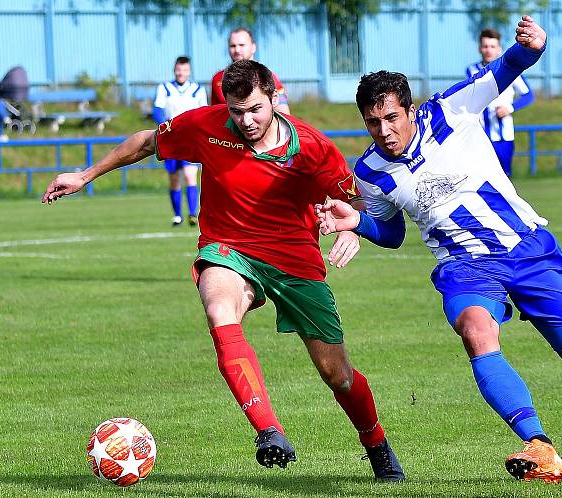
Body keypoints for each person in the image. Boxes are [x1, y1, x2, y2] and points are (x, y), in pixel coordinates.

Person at [316, 16, 562, 484]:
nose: (384, 130)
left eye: (391, 117)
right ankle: (541, 446)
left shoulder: (452, 109)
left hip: (525, 248)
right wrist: (358, 223)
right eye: (373, 122)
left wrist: (532, 48)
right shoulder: (370, 172)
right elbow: (391, 234)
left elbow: (508, 68)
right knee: (475, 331)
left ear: (409, 110)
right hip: (463, 266)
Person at [42, 59, 405, 482]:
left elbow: (354, 202)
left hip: (294, 258)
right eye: (236, 111)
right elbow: (145, 142)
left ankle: (376, 443)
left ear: (273, 97)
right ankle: (269, 431)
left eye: (254, 109)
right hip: (228, 247)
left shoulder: (312, 148)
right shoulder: (207, 126)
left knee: (336, 375)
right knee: (219, 309)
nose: (246, 120)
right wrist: (84, 176)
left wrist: (353, 231)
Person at [465, 28, 534, 178]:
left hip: (504, 137)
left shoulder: (511, 71)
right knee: (482, 180)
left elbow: (528, 95)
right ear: (479, 48)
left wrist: (510, 108)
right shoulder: (472, 70)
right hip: (480, 137)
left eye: (492, 46)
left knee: (504, 179)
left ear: (499, 49)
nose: (488, 50)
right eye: (485, 46)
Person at [152, 56, 206, 226]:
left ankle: (192, 214)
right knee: (174, 179)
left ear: (189, 71)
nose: (181, 73)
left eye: (184, 70)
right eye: (178, 69)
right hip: (171, 137)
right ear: (174, 70)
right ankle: (177, 215)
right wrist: (166, 127)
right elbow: (157, 110)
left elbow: (204, 113)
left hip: (190, 138)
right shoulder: (165, 88)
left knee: (191, 175)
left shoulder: (198, 90)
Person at [210, 27, 290, 114]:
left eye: (241, 45)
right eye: (232, 46)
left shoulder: (266, 76)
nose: (237, 50)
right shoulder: (218, 79)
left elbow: (284, 113)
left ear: (253, 47)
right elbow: (214, 114)